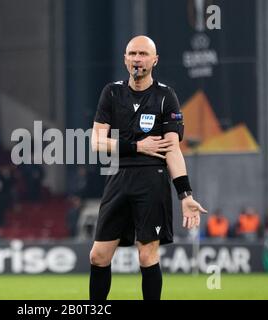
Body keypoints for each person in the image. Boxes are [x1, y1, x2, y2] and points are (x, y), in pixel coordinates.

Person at [89, 36, 207, 300]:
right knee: (98, 256)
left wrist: (185, 195)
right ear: (125, 59)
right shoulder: (112, 92)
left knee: (147, 255)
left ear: (154, 60)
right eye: (132, 53)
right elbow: (96, 141)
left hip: (151, 180)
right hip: (118, 177)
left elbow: (173, 149)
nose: (137, 59)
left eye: (143, 54)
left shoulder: (165, 97)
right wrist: (137, 146)